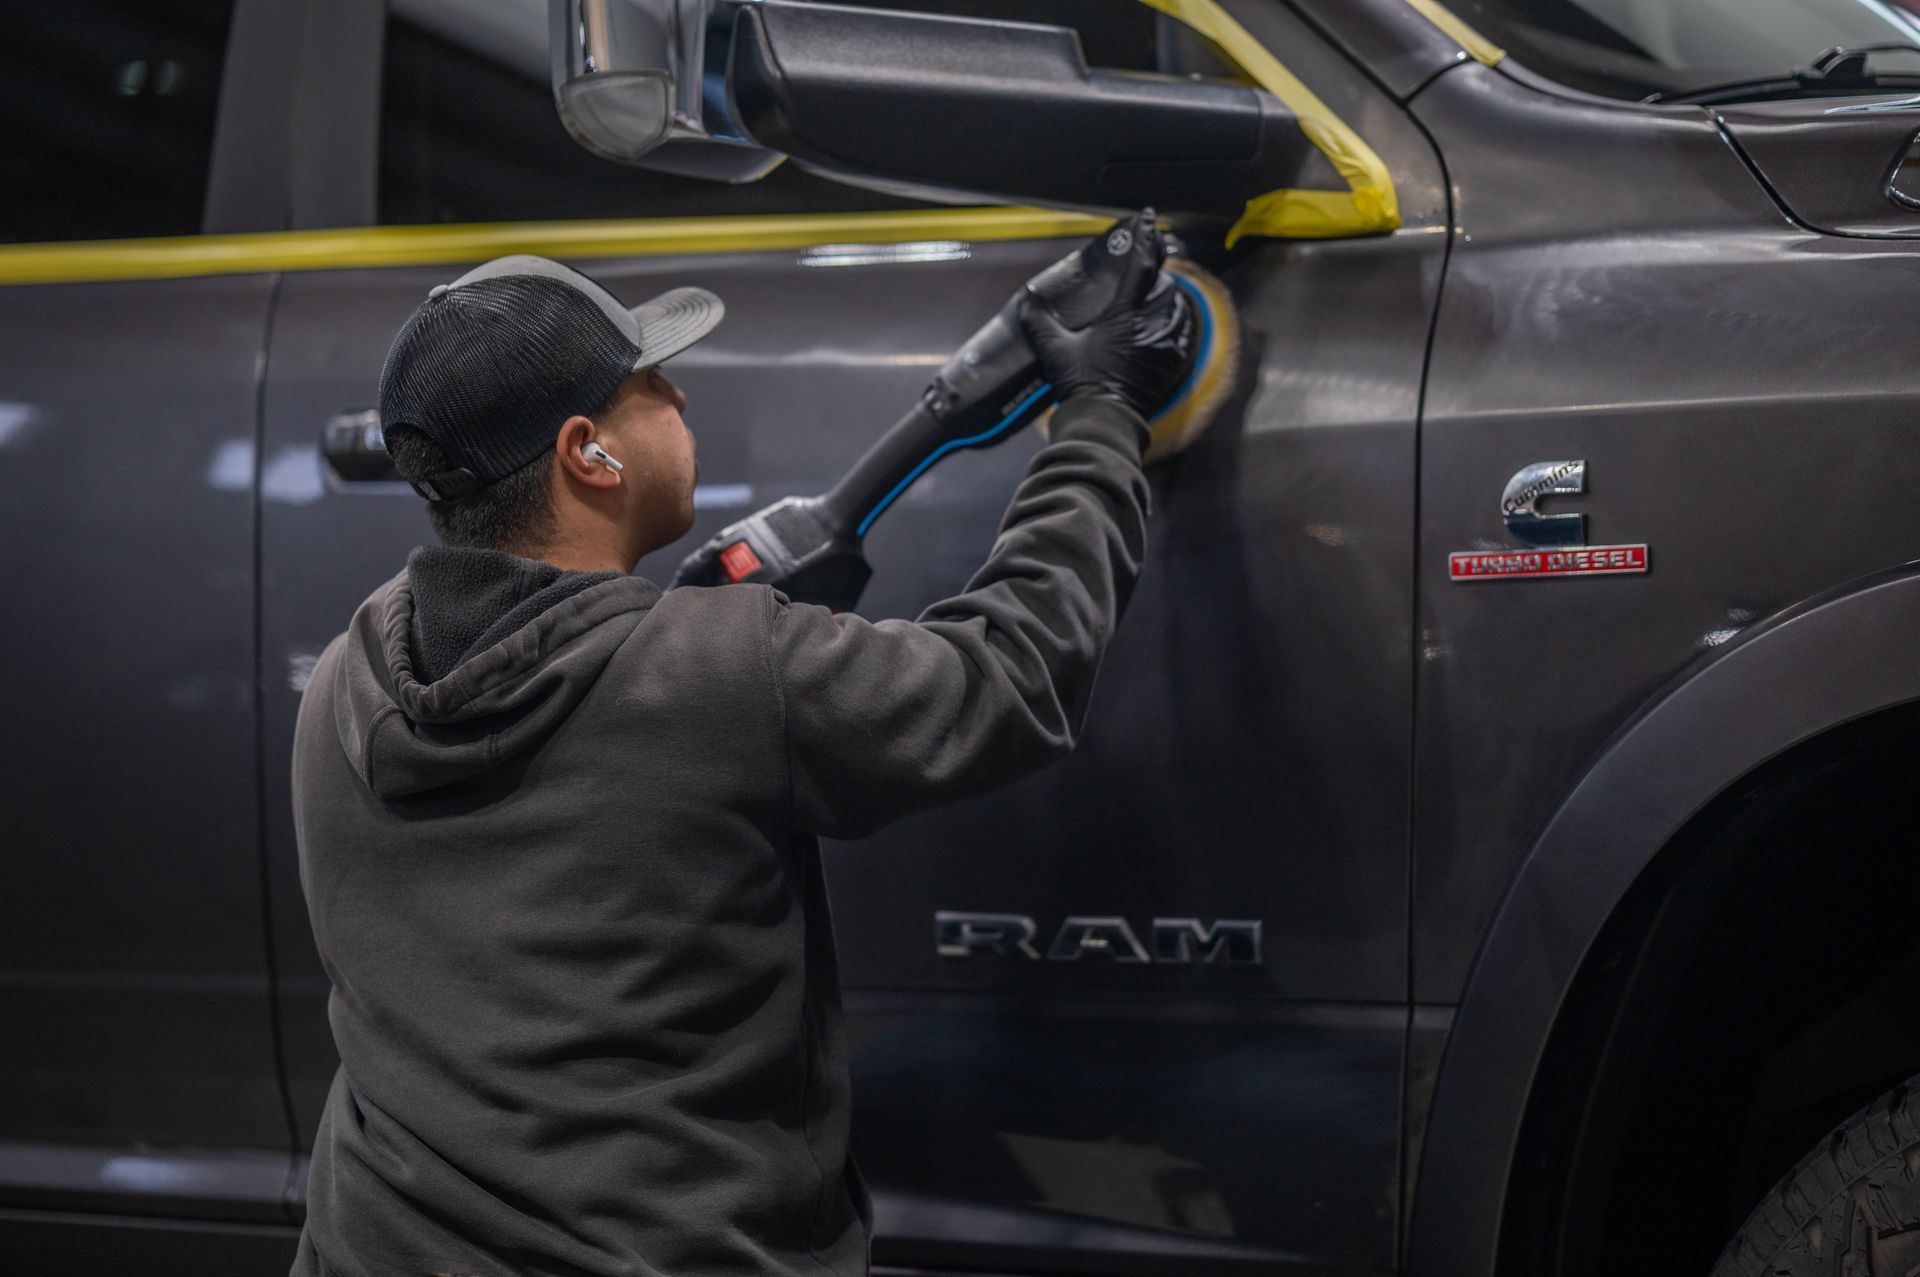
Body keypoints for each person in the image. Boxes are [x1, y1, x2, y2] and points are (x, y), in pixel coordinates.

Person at [289, 224, 1188, 1276]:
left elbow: (601, 760)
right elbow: (1012, 675)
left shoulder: (348, 674)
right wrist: (1102, 414)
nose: (679, 397)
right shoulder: (727, 674)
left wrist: (683, 628)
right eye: (650, 385)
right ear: (588, 451)